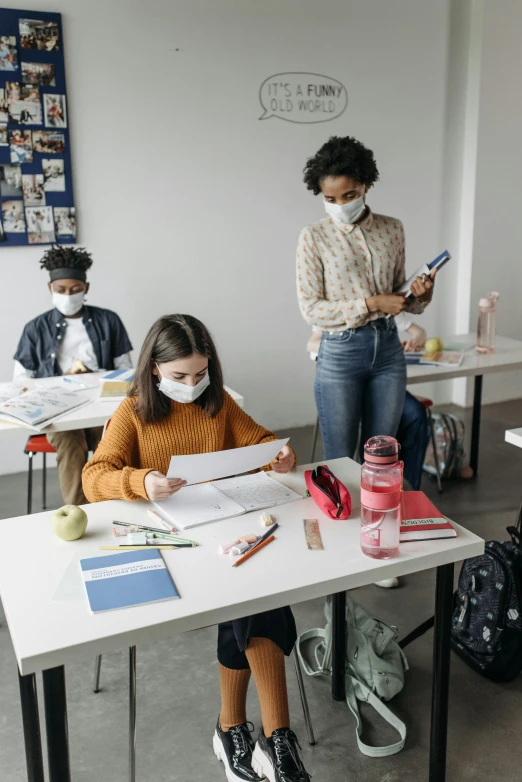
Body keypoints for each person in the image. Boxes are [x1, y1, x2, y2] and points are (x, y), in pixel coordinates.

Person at [82, 314, 311, 782]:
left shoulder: (218, 402)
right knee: (256, 593)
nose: (192, 384)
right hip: (171, 547)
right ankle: (272, 738)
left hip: (221, 534)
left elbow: (261, 441)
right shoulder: (132, 414)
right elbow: (92, 478)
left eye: (201, 374)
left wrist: (280, 453)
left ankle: (242, 731)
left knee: (253, 590)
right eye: (179, 376)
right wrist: (140, 480)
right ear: (153, 371)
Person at [297, 135, 435, 461]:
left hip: (388, 350)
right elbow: (311, 309)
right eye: (331, 198)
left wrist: (422, 296)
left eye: (350, 195)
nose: (341, 205)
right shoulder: (313, 237)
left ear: (366, 186)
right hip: (340, 353)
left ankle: (377, 514)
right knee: (340, 459)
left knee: (382, 453)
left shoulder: (392, 229)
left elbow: (400, 294)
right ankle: (342, 513)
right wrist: (372, 303)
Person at [13, 246, 133, 506]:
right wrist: (58, 381)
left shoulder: (109, 321)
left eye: (75, 289)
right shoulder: (35, 328)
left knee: (114, 436)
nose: (68, 295)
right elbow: (21, 383)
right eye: (61, 290)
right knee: (70, 439)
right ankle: (79, 511)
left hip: (100, 409)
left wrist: (95, 376)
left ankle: (113, 502)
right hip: (59, 414)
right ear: (50, 288)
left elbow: (127, 372)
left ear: (86, 288)